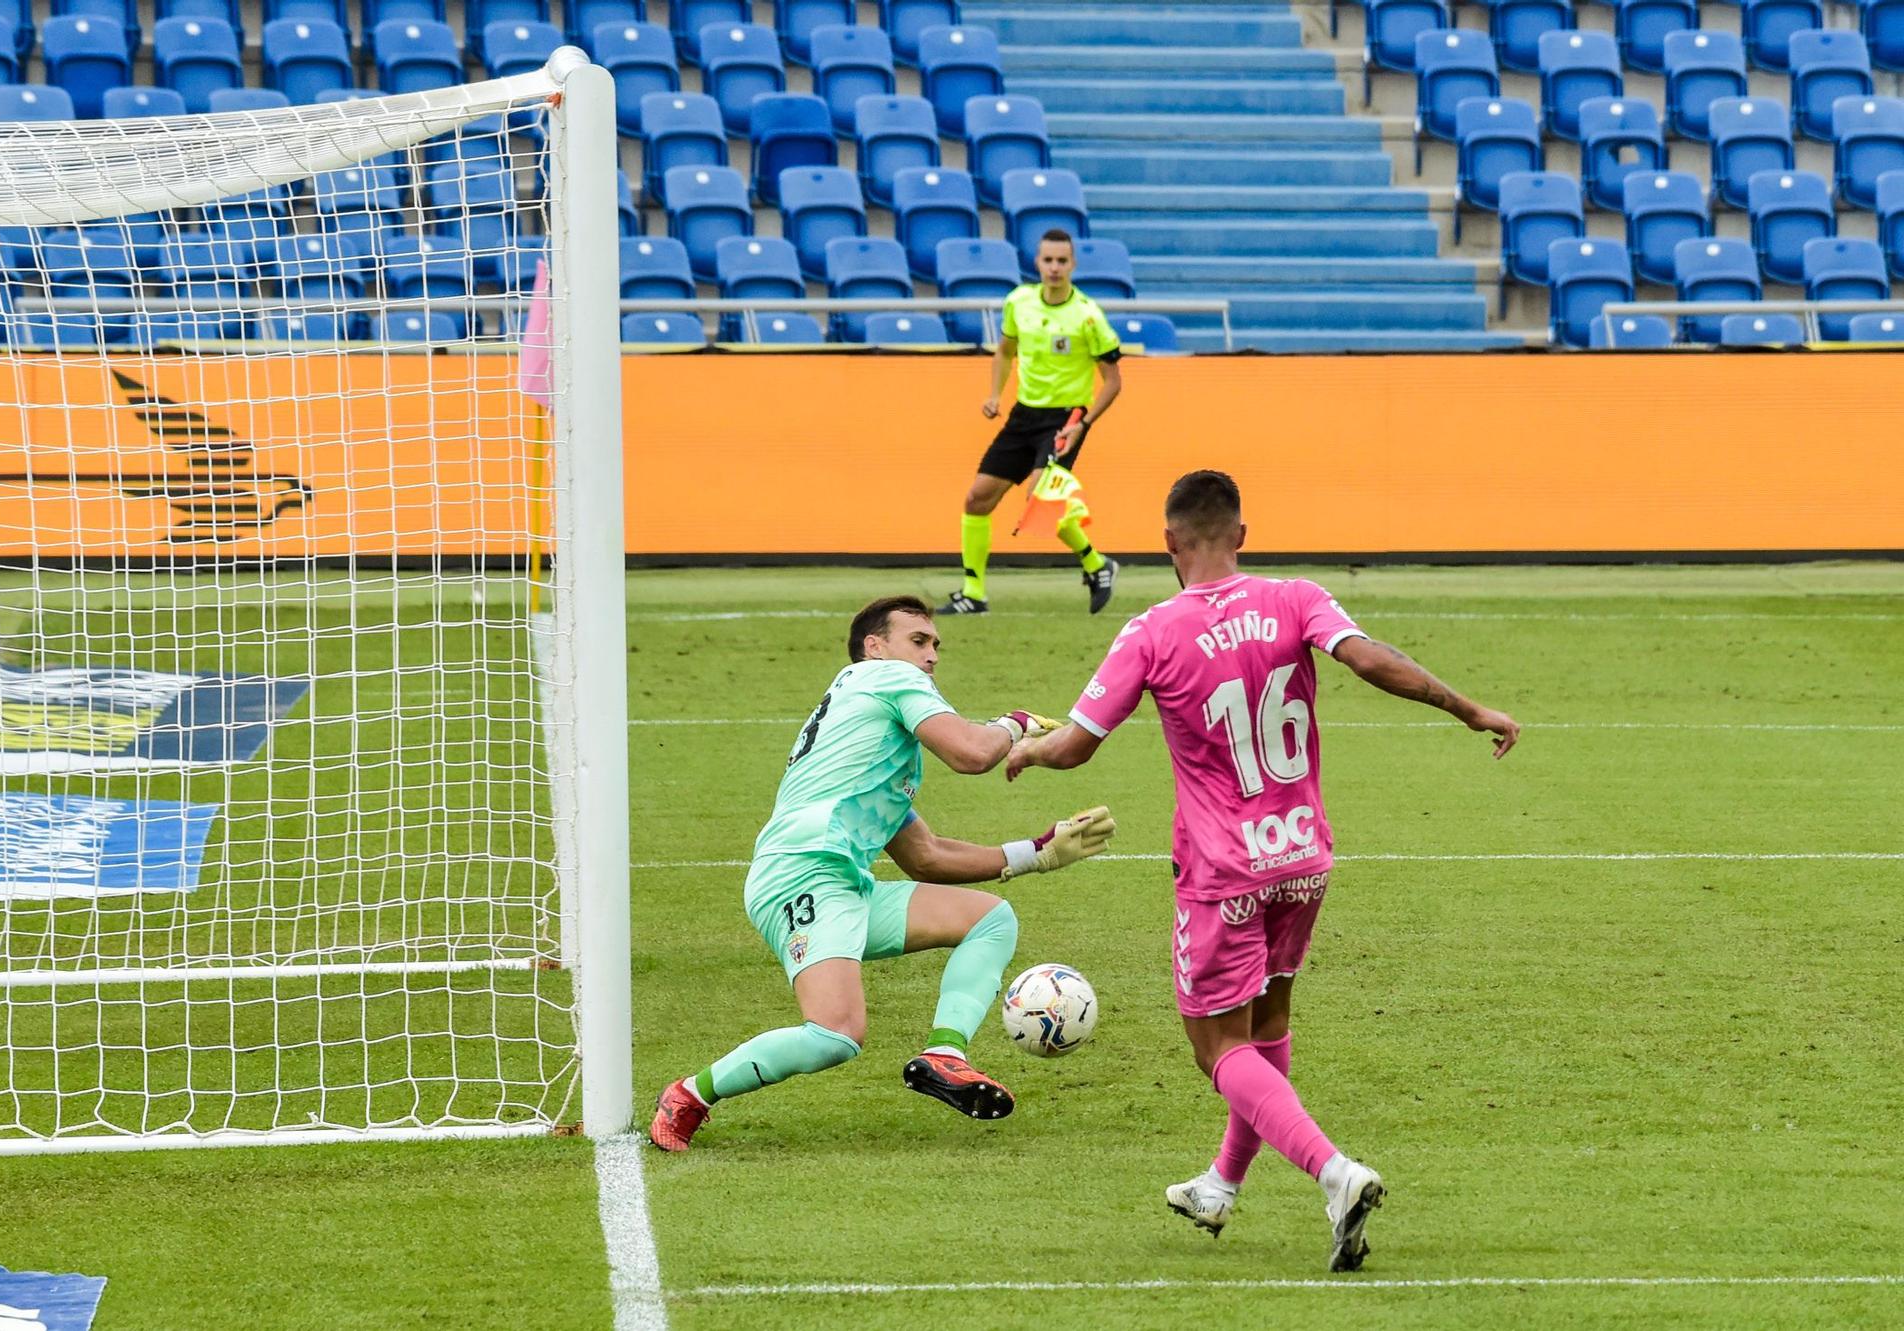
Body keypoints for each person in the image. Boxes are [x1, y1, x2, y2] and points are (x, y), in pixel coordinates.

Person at [1005, 471, 1520, 1272]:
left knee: (1217, 1049)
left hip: (1222, 870)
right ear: (1241, 533)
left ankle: (1334, 1171)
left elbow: (1076, 744)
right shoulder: (1296, 597)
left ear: (1168, 543)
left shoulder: (1150, 630)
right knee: (1267, 1026)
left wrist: (1031, 747)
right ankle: (1220, 1183)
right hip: (1303, 856)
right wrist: (1468, 707)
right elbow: (1372, 660)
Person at [649, 595, 1118, 1152]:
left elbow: (926, 856)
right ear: (876, 648)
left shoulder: (871, 735)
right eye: (918, 641)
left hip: (840, 884)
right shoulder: (886, 679)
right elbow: (971, 753)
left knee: (991, 920)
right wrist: (1012, 725)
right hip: (801, 875)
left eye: (936, 645)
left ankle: (946, 1055)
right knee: (835, 1035)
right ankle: (688, 1095)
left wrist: (1035, 853)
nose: (932, 656)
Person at [939, 229, 1123, 618]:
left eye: (1062, 261)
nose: (1054, 267)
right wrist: (994, 395)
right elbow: (1005, 352)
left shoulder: (1088, 315)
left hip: (1064, 420)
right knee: (977, 498)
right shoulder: (1018, 302)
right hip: (1024, 415)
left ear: (1072, 264)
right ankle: (974, 592)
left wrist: (1083, 424)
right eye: (1047, 260)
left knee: (1041, 501)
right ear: (1037, 262)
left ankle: (1096, 563)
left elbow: (1113, 382)